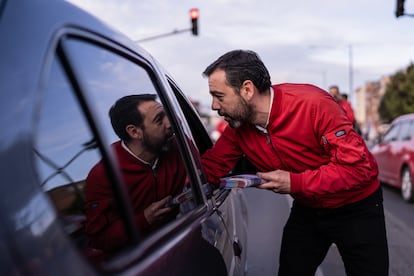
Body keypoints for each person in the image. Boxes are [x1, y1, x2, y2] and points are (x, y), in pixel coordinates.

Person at [201, 50, 388, 276]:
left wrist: (296, 182)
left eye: (219, 96)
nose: (213, 105)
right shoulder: (238, 130)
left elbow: (359, 170)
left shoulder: (313, 104)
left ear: (247, 90)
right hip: (309, 209)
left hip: (356, 207)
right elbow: (208, 169)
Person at [84, 94, 187, 258]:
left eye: (168, 114)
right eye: (160, 119)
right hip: (135, 261)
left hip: (178, 247)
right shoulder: (103, 175)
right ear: (134, 132)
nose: (171, 123)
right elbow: (99, 239)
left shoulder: (181, 146)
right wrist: (144, 220)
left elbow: (207, 174)